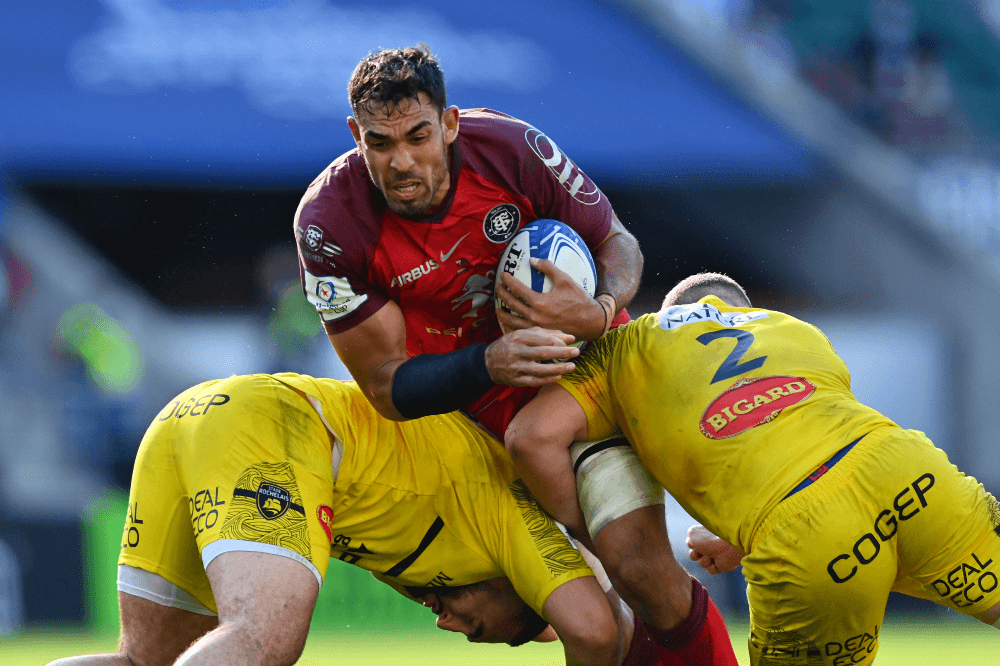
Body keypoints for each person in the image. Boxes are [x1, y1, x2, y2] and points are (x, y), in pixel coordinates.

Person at [507, 272, 1000, 665]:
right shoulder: (794, 328)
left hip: (808, 536)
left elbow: (531, 439)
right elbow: (811, 450)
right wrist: (738, 535)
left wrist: (592, 537)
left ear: (669, 314)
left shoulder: (630, 345)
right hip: (910, 471)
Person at [47, 373, 630, 666]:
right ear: (529, 590)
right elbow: (599, 628)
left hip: (189, 419)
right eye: (490, 632)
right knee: (265, 636)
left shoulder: (455, 562)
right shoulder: (519, 523)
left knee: (141, 663)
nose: (448, 626)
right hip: (270, 424)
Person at [292, 44, 641, 441]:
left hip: (595, 352)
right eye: (381, 144)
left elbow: (615, 239)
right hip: (476, 418)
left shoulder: (512, 149)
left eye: (418, 137)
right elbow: (383, 388)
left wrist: (601, 311)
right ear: (357, 136)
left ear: (449, 124)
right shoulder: (329, 225)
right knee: (581, 474)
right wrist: (488, 364)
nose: (402, 161)